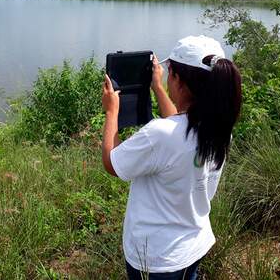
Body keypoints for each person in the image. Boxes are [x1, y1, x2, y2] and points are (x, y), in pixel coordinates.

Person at [101, 35, 242, 280]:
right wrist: (157, 87)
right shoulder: (218, 128)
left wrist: (111, 111)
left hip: (157, 258)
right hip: (193, 244)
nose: (167, 78)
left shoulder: (161, 135)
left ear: (180, 81)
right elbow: (179, 123)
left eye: (170, 74)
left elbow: (112, 163)